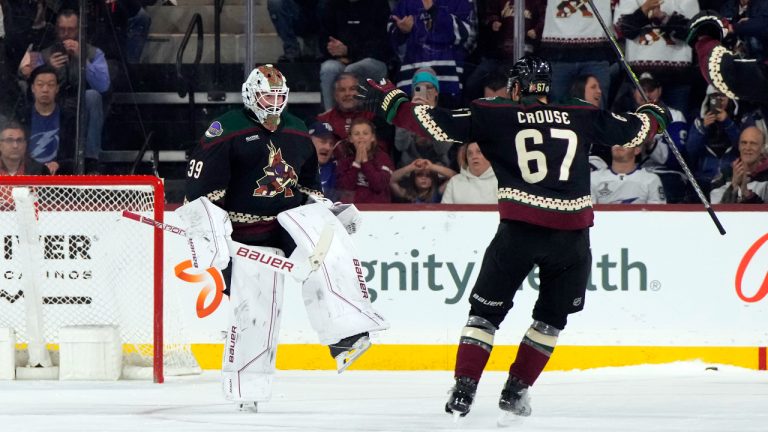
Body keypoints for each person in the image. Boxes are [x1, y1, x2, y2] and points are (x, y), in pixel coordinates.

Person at [356, 54, 670, 420]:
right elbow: (635, 131)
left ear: (516, 86)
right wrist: (654, 113)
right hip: (571, 238)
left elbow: (434, 124)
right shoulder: (580, 112)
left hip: (520, 231)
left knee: (484, 316)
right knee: (550, 321)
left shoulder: (495, 112)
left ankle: (464, 389)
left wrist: (391, 101)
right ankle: (516, 391)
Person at [182, 64, 388, 412]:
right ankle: (248, 389)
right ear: (251, 95)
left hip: (284, 223)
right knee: (255, 311)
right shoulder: (226, 129)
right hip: (242, 233)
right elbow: (198, 194)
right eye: (266, 95)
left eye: (279, 96)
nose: (273, 103)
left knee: (329, 250)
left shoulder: (295, 130)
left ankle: (345, 335)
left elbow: (308, 187)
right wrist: (209, 235)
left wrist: (328, 210)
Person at [20, 9, 110, 171]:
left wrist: (82, 59)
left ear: (79, 30)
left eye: (71, 30)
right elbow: (36, 84)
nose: (66, 34)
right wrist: (48, 68)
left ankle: (90, 160)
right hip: (56, 103)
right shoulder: (46, 53)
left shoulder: (94, 53)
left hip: (82, 103)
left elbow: (103, 85)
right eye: (62, 30)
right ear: (56, 29)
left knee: (93, 96)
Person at [613, 0, 699, 114]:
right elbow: (621, 29)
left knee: (675, 127)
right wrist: (643, 11)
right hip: (639, 80)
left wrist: (663, 17)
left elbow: (693, 31)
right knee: (638, 127)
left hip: (676, 81)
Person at [388, 0, 477, 104]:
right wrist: (402, 30)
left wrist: (433, 10)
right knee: (411, 118)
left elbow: (465, 35)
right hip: (410, 79)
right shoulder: (405, 3)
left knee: (444, 118)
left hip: (449, 80)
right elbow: (391, 35)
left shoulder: (460, 2)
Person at [319, 0, 390, 110]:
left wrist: (348, 51)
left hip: (375, 62)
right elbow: (324, 43)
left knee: (353, 69)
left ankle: (357, 116)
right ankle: (330, 117)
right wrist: (336, 52)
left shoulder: (378, 4)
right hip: (341, 60)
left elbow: (380, 46)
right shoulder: (330, 5)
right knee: (328, 68)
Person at [16, 65, 75, 175]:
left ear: (57, 88)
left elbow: (73, 153)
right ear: (33, 88)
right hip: (27, 175)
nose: (45, 89)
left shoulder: (68, 117)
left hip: (59, 177)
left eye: (51, 85)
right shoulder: (22, 116)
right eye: (40, 84)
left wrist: (59, 164)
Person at [686, 85, 740, 198]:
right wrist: (703, 127)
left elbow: (741, 146)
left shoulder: (738, 120)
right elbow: (690, 152)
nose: (719, 100)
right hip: (704, 179)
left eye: (722, 96)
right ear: (708, 99)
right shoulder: (699, 122)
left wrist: (728, 123)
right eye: (715, 96)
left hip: (730, 178)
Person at [394, 67, 453, 168]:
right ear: (413, 93)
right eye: (419, 88)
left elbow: (442, 149)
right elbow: (400, 146)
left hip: (438, 170)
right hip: (410, 170)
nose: (425, 92)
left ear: (436, 92)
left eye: (429, 87)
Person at [335, 117, 395, 203]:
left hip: (379, 211)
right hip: (353, 211)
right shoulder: (345, 161)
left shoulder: (383, 158)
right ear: (350, 139)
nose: (361, 137)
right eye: (356, 134)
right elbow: (345, 189)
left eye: (365, 133)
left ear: (373, 137)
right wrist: (356, 164)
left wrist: (365, 162)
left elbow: (379, 186)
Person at [590, 144, 667, 204]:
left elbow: (656, 214)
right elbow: (588, 215)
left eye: (625, 141)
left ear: (637, 149)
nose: (619, 144)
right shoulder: (593, 178)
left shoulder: (651, 179)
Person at [710, 125, 768, 203]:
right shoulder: (725, 174)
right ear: (739, 146)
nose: (747, 148)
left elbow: (764, 213)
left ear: (762, 148)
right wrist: (734, 186)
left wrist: (745, 193)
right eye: (744, 143)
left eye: (753, 143)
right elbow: (717, 210)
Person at [389, 157, 455, 203]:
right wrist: (411, 167)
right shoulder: (407, 195)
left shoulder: (437, 193)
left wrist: (432, 167)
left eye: (428, 176)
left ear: (433, 179)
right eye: (419, 175)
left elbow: (455, 177)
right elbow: (391, 180)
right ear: (413, 178)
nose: (424, 178)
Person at [308, 120, 339, 201]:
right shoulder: (294, 166)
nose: (328, 147)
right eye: (323, 141)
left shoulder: (336, 170)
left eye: (331, 143)